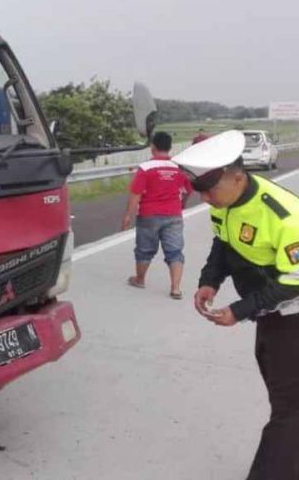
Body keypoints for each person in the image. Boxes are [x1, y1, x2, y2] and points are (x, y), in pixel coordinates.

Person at [173, 130, 299, 479]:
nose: (206, 199)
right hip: (270, 316)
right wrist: (209, 281)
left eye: (210, 191)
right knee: (283, 396)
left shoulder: (284, 215)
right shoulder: (225, 204)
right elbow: (224, 245)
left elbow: (295, 279)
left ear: (238, 176)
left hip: (293, 315)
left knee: (291, 407)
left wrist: (240, 310)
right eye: (201, 192)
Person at [121, 131, 193, 299]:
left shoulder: (145, 168)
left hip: (149, 215)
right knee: (175, 251)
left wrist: (127, 216)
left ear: (152, 146)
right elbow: (189, 189)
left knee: (145, 250)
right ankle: (175, 288)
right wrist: (182, 204)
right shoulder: (179, 167)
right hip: (174, 214)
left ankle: (140, 279)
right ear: (170, 147)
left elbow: (136, 194)